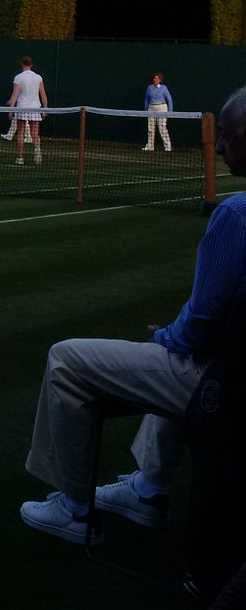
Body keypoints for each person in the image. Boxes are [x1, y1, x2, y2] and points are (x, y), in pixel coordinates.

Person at [19, 86, 246, 545]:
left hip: (225, 384)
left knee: (66, 359)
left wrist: (165, 337)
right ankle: (147, 492)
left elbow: (198, 328)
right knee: (172, 353)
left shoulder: (236, 215)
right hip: (229, 370)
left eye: (226, 135)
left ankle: (75, 510)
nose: (218, 146)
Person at [2, 55, 47, 165]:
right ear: (31, 64)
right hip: (35, 108)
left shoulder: (18, 77)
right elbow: (43, 94)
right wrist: (45, 109)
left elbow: (15, 95)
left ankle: (20, 158)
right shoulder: (38, 77)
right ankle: (37, 151)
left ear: (22, 64)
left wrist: (11, 110)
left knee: (21, 133)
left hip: (22, 108)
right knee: (35, 133)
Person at [144, 71, 173, 152]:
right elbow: (146, 99)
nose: (155, 80)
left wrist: (170, 112)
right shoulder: (149, 88)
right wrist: (145, 111)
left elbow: (169, 99)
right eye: (154, 78)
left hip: (162, 108)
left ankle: (168, 147)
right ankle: (150, 146)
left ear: (160, 80)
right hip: (151, 108)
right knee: (150, 128)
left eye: (157, 78)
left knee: (162, 127)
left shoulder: (164, 88)